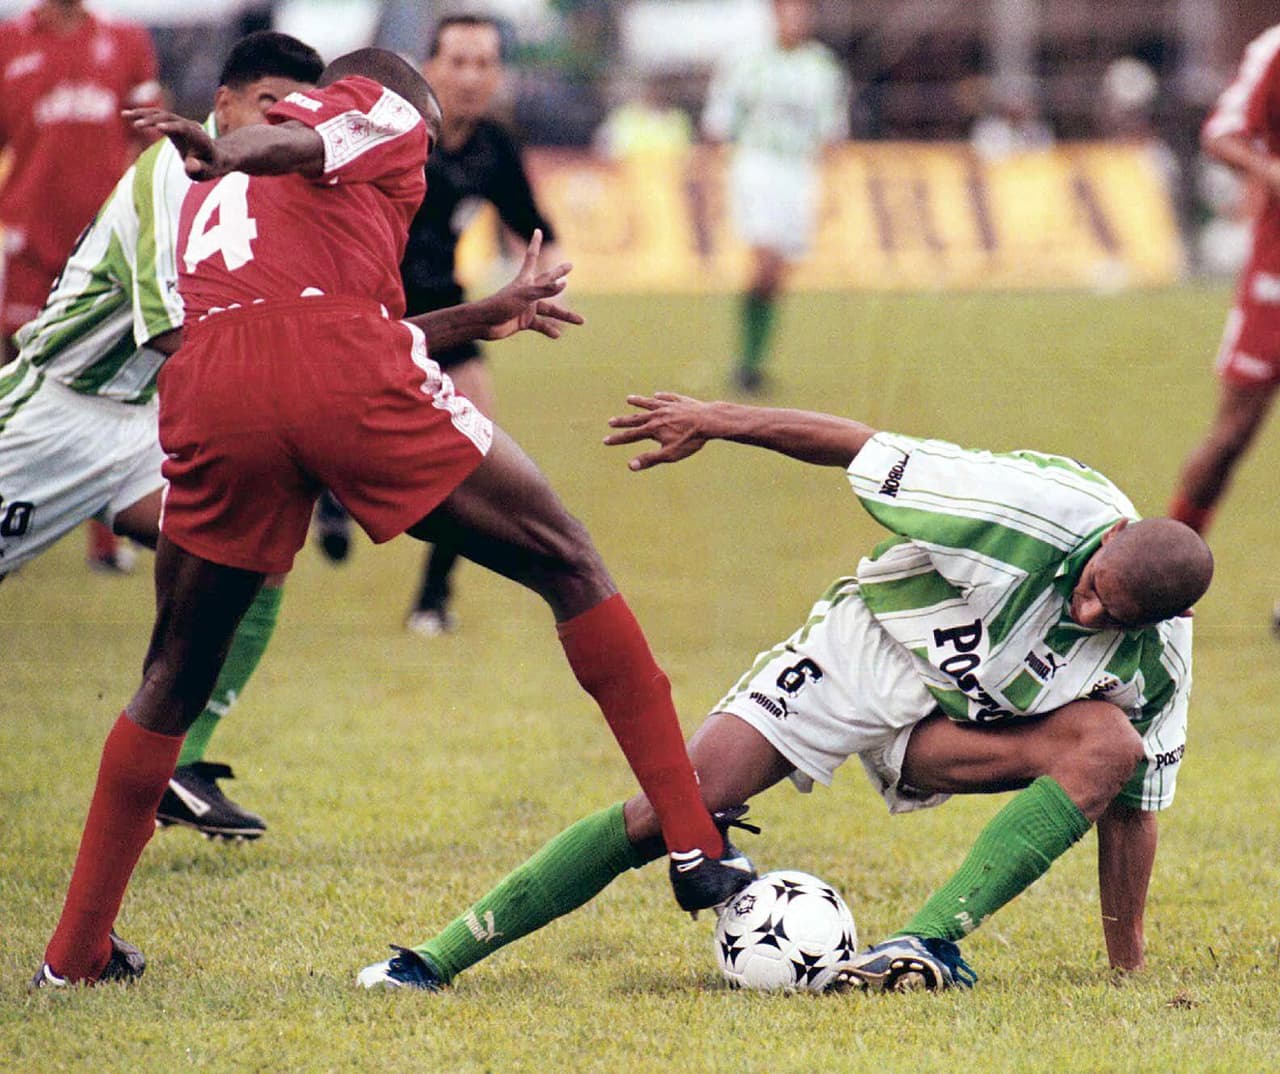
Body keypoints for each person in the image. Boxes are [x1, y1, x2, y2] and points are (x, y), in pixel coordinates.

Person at [32, 49, 750, 988]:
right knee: (569, 563)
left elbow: (343, 318)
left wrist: (487, 311)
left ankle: (74, 952)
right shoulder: (381, 109)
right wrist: (236, 147)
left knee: (171, 673)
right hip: (330, 367)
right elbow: (302, 156)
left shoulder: (223, 207)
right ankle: (695, 845)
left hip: (211, 386)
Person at [356, 391, 1212, 993]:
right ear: (1110, 538)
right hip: (862, 650)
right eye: (1093, 582)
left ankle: (926, 943)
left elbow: (1136, 809)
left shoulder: (1159, 659)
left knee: (1110, 747)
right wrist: (715, 420)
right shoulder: (1022, 507)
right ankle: (430, 960)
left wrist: (1126, 965)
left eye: (1109, 614)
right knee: (676, 807)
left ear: (1154, 622)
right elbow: (858, 444)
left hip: (958, 730)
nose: (1085, 606)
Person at [1, 31, 328, 840]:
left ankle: (181, 760)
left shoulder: (263, 190)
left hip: (139, 430)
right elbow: (172, 334)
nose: (278, 127)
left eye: (295, 117)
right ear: (222, 107)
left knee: (260, 549)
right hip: (53, 413)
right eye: (267, 108)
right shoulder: (170, 176)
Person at [313, 12, 565, 640]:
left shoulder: (493, 146)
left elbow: (536, 228)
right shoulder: (388, 129)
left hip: (446, 314)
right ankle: (330, 491)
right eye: (459, 62)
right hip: (368, 309)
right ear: (429, 68)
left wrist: (545, 282)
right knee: (328, 428)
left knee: (477, 440)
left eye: (485, 63)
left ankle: (432, 597)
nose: (472, 77)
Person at [0, 0, 162, 570]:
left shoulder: (125, 39)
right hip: (26, 240)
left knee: (100, 381)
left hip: (103, 250)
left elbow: (151, 142)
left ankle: (104, 541)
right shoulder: (9, 41)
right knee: (28, 375)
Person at [699, 0, 847, 393]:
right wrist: (710, 173)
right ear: (774, 13)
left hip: (799, 172)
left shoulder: (822, 67)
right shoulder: (745, 61)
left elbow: (832, 132)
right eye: (787, 10)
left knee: (777, 274)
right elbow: (718, 124)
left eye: (802, 10)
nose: (795, 18)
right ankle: (745, 365)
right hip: (756, 164)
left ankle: (754, 364)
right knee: (764, 262)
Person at [1169, 24, 1280, 538]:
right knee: (1231, 435)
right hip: (1275, 279)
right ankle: (1166, 577)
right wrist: (1272, 174)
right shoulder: (1274, 49)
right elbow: (1222, 133)